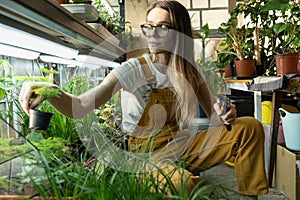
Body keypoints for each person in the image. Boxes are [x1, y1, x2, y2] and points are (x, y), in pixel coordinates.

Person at [19, 1, 268, 199]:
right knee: (182, 183)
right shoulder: (133, 69)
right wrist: (52, 91)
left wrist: (226, 111)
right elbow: (81, 106)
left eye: (163, 27)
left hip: (182, 145)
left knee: (250, 128)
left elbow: (216, 115)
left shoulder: (189, 71)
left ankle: (250, 196)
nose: (152, 33)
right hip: (144, 156)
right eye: (149, 26)